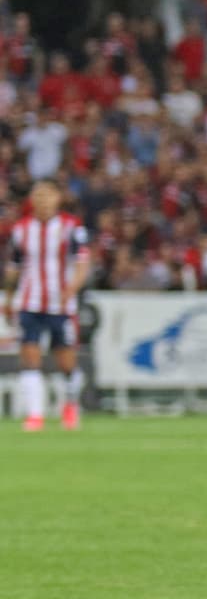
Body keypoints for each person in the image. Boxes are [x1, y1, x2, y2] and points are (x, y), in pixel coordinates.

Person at [4, 181, 91, 431]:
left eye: (47, 195)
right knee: (30, 357)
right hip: (29, 302)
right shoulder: (21, 229)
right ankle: (35, 415)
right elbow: (14, 266)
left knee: (65, 362)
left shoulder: (71, 227)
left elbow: (83, 262)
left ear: (57, 197)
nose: (42, 200)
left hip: (60, 305)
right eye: (37, 195)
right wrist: (9, 299)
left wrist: (71, 288)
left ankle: (71, 405)